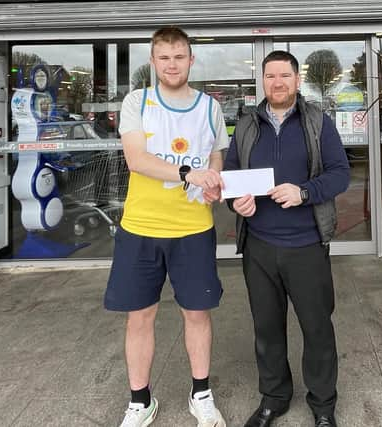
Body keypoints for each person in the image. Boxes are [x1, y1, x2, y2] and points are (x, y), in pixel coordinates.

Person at [104, 26, 229, 427]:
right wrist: (188, 173)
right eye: (164, 57)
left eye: (180, 56)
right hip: (140, 227)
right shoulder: (136, 102)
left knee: (197, 314)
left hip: (193, 229)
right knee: (139, 316)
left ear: (191, 60)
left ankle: (201, 394)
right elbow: (137, 160)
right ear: (153, 61)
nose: (172, 64)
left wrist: (212, 184)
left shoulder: (210, 106)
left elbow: (215, 161)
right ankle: (140, 401)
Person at [223, 51, 350, 427]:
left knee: (317, 328)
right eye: (270, 76)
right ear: (262, 81)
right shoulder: (246, 125)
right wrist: (236, 203)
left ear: (297, 80)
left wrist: (304, 192)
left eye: (284, 76)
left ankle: (323, 405)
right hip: (259, 246)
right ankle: (274, 398)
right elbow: (231, 174)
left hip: (306, 244)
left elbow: (340, 173)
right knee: (266, 328)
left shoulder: (316, 122)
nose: (277, 83)